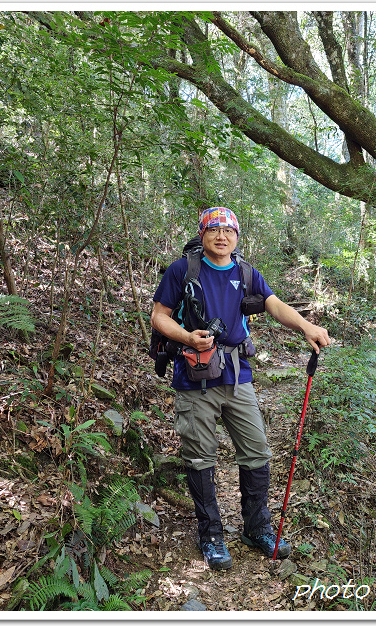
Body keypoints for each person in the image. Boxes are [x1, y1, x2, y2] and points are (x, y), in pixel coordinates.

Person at [151, 207, 331, 570]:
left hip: (237, 375)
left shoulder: (246, 272)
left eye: (228, 231)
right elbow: (158, 316)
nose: (222, 236)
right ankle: (211, 535)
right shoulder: (182, 270)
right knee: (200, 458)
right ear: (202, 234)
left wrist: (306, 326)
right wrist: (187, 337)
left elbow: (274, 305)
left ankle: (257, 527)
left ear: (236, 236)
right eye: (214, 229)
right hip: (195, 376)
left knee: (256, 451)